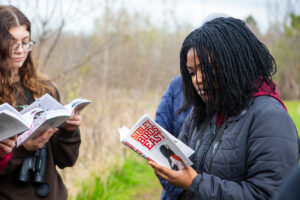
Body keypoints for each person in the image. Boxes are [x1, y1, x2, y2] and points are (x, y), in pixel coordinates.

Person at [150, 16, 299, 200]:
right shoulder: (201, 112)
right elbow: (181, 174)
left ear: (233, 63)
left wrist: (194, 183)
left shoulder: (270, 118)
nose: (197, 79)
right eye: (191, 72)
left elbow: (268, 195)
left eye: (205, 68)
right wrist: (166, 167)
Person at [0, 5, 81, 200]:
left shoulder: (44, 89)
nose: (20, 50)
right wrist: (23, 149)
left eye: (25, 42)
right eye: (12, 43)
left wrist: (70, 130)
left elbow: (66, 160)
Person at [155, 75, 192, 200]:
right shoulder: (177, 85)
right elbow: (158, 141)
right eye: (191, 72)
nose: (198, 79)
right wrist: (180, 192)